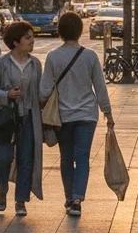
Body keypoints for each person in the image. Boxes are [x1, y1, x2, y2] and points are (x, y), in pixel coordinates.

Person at [40, 11, 112, 219]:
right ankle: (78, 199)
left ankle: (69, 197)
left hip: (63, 116)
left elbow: (44, 90)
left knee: (66, 159)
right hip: (87, 115)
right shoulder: (89, 56)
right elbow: (100, 86)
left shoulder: (53, 56)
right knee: (82, 158)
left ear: (60, 32)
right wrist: (107, 111)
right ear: (81, 31)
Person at [0, 21, 43, 216]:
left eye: (32, 37)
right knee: (4, 157)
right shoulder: (1, 63)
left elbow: (40, 92)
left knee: (26, 159)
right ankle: (2, 188)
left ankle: (21, 200)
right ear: (15, 42)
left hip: (28, 117)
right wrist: (6, 95)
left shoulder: (35, 64)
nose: (32, 41)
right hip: (5, 119)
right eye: (28, 38)